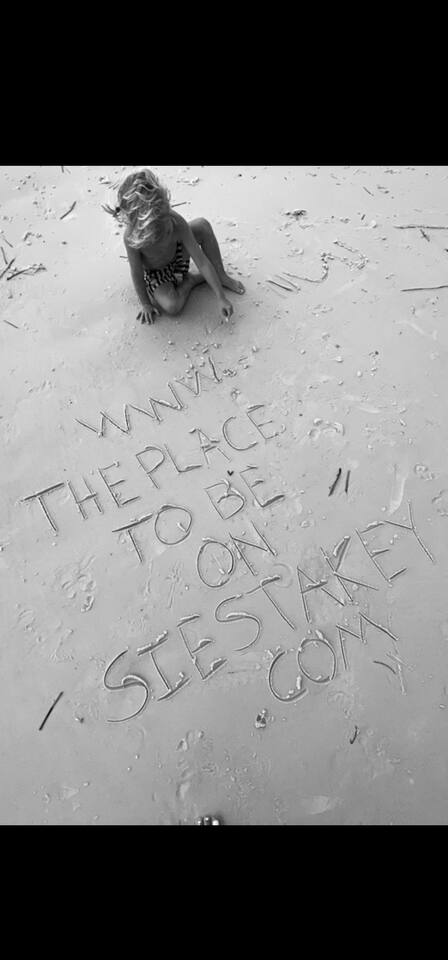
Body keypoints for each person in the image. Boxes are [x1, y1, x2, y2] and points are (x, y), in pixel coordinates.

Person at [104, 168, 245, 325]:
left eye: (167, 214)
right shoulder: (131, 238)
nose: (169, 224)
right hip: (157, 273)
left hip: (178, 256)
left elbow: (201, 261)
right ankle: (191, 281)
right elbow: (137, 274)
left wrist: (221, 297)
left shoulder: (174, 220)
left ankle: (221, 275)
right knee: (172, 306)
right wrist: (146, 304)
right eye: (162, 230)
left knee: (202, 226)